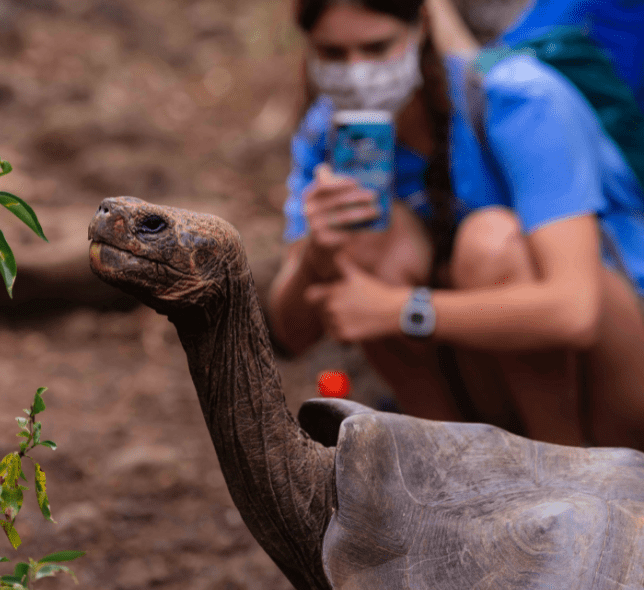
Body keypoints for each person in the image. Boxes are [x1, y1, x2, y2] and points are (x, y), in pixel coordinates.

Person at [267, 0, 644, 449]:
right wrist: (318, 254)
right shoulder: (328, 134)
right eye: (333, 54)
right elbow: (290, 336)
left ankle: (562, 469)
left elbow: (576, 311)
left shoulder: (516, 99)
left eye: (376, 46)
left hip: (609, 371)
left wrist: (400, 309)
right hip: (479, 378)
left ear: (420, 28)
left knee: (489, 243)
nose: (357, 70)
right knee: (364, 233)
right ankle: (447, 466)